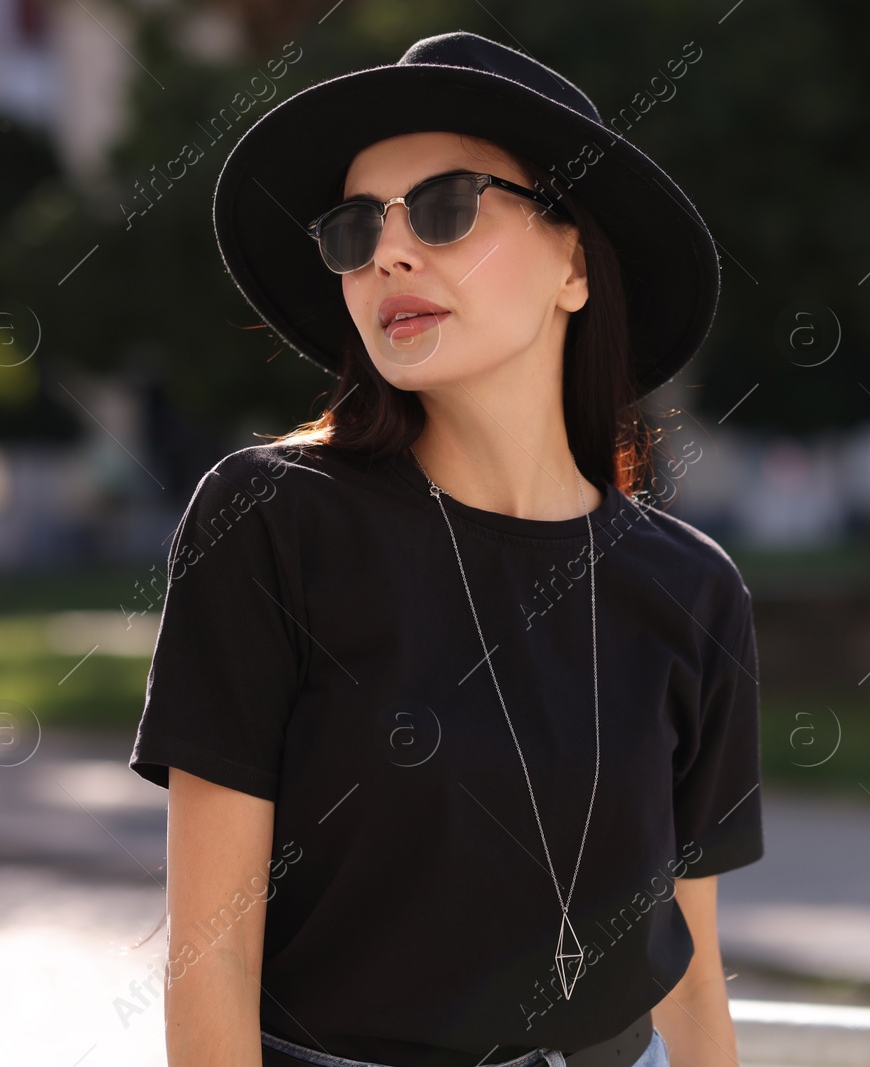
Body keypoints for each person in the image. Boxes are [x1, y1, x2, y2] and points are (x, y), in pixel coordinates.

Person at [128, 30, 763, 1067]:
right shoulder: (269, 522)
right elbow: (208, 966)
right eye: (351, 229)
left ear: (572, 261)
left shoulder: (694, 587)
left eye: (445, 206)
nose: (389, 252)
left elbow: (688, 967)